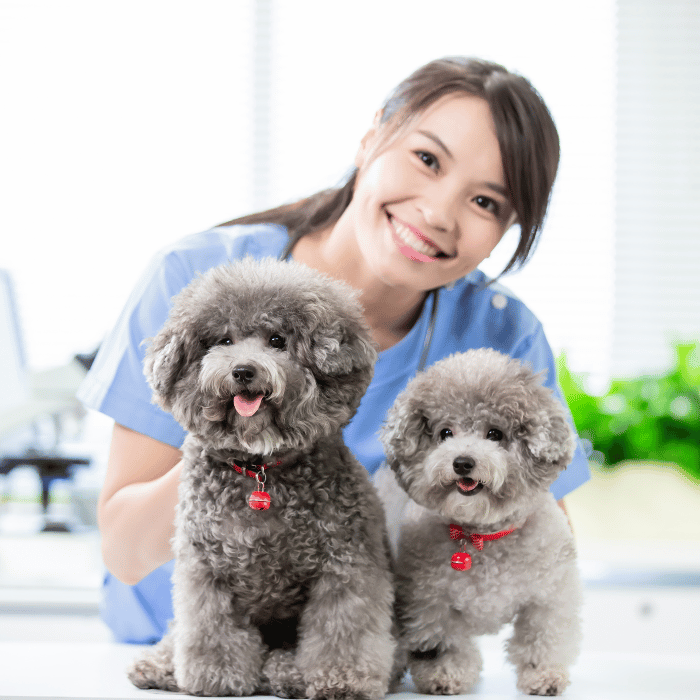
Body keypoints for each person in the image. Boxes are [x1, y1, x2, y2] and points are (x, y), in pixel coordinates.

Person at [78, 56, 590, 644]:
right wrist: (251, 447)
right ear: (372, 137)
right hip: (182, 659)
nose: (437, 212)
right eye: (426, 160)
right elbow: (123, 551)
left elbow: (545, 554)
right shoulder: (196, 279)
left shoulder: (501, 335)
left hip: (354, 668)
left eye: (486, 203)